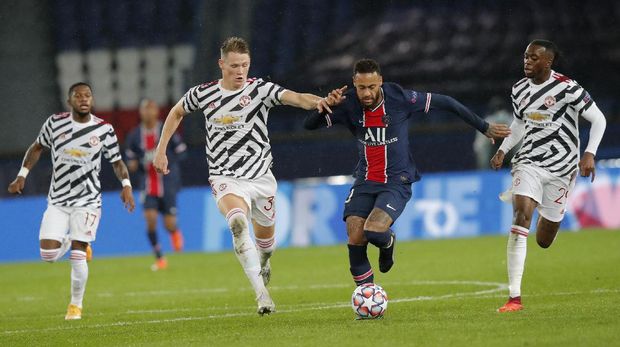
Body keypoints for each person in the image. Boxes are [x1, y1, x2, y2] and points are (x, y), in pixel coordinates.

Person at [152, 37, 334, 315]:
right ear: (221, 64)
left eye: (245, 65)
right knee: (237, 223)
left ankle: (264, 260)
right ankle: (262, 295)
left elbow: (296, 98)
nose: (240, 71)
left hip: (260, 178)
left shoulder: (260, 89)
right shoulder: (203, 93)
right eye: (234, 66)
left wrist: (320, 101)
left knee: (267, 245)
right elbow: (177, 112)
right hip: (225, 177)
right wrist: (161, 149)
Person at [304, 59, 510, 287]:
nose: (367, 93)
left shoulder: (399, 98)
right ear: (354, 83)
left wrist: (484, 126)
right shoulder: (347, 103)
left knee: (373, 231)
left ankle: (388, 241)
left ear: (380, 81)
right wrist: (325, 105)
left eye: (372, 87)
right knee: (355, 239)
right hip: (364, 180)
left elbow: (447, 102)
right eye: (361, 87)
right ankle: (367, 294)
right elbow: (309, 125)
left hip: (396, 181)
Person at [491, 39, 606, 312]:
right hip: (528, 162)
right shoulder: (519, 89)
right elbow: (519, 122)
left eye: (533, 58)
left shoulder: (568, 87)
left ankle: (549, 212)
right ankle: (514, 297)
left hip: (562, 169)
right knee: (520, 215)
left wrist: (589, 154)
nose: (527, 62)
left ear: (548, 62)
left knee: (544, 240)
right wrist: (504, 150)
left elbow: (598, 119)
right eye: (525, 57)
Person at [7, 82, 135, 320]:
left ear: (93, 100)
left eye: (88, 95)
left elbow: (117, 161)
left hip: (88, 201)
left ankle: (75, 305)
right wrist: (21, 175)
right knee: (48, 256)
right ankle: (77, 242)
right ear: (70, 101)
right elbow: (37, 148)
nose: (84, 99)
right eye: (78, 96)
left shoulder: (103, 129)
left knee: (77, 255)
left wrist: (126, 186)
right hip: (57, 201)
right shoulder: (55, 123)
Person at [126, 99, 187, 271]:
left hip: (167, 184)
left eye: (150, 108)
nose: (147, 112)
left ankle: (174, 232)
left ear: (156, 112)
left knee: (169, 224)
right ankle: (160, 257)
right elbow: (130, 157)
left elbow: (181, 152)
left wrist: (166, 160)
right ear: (140, 113)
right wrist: (134, 164)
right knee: (150, 220)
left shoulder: (166, 130)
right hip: (148, 184)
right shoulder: (135, 135)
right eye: (144, 109)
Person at [473, 97, 513, 169]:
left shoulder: (511, 120)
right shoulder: (489, 121)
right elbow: (479, 147)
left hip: (507, 154)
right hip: (494, 154)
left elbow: (478, 147)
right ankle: (484, 172)